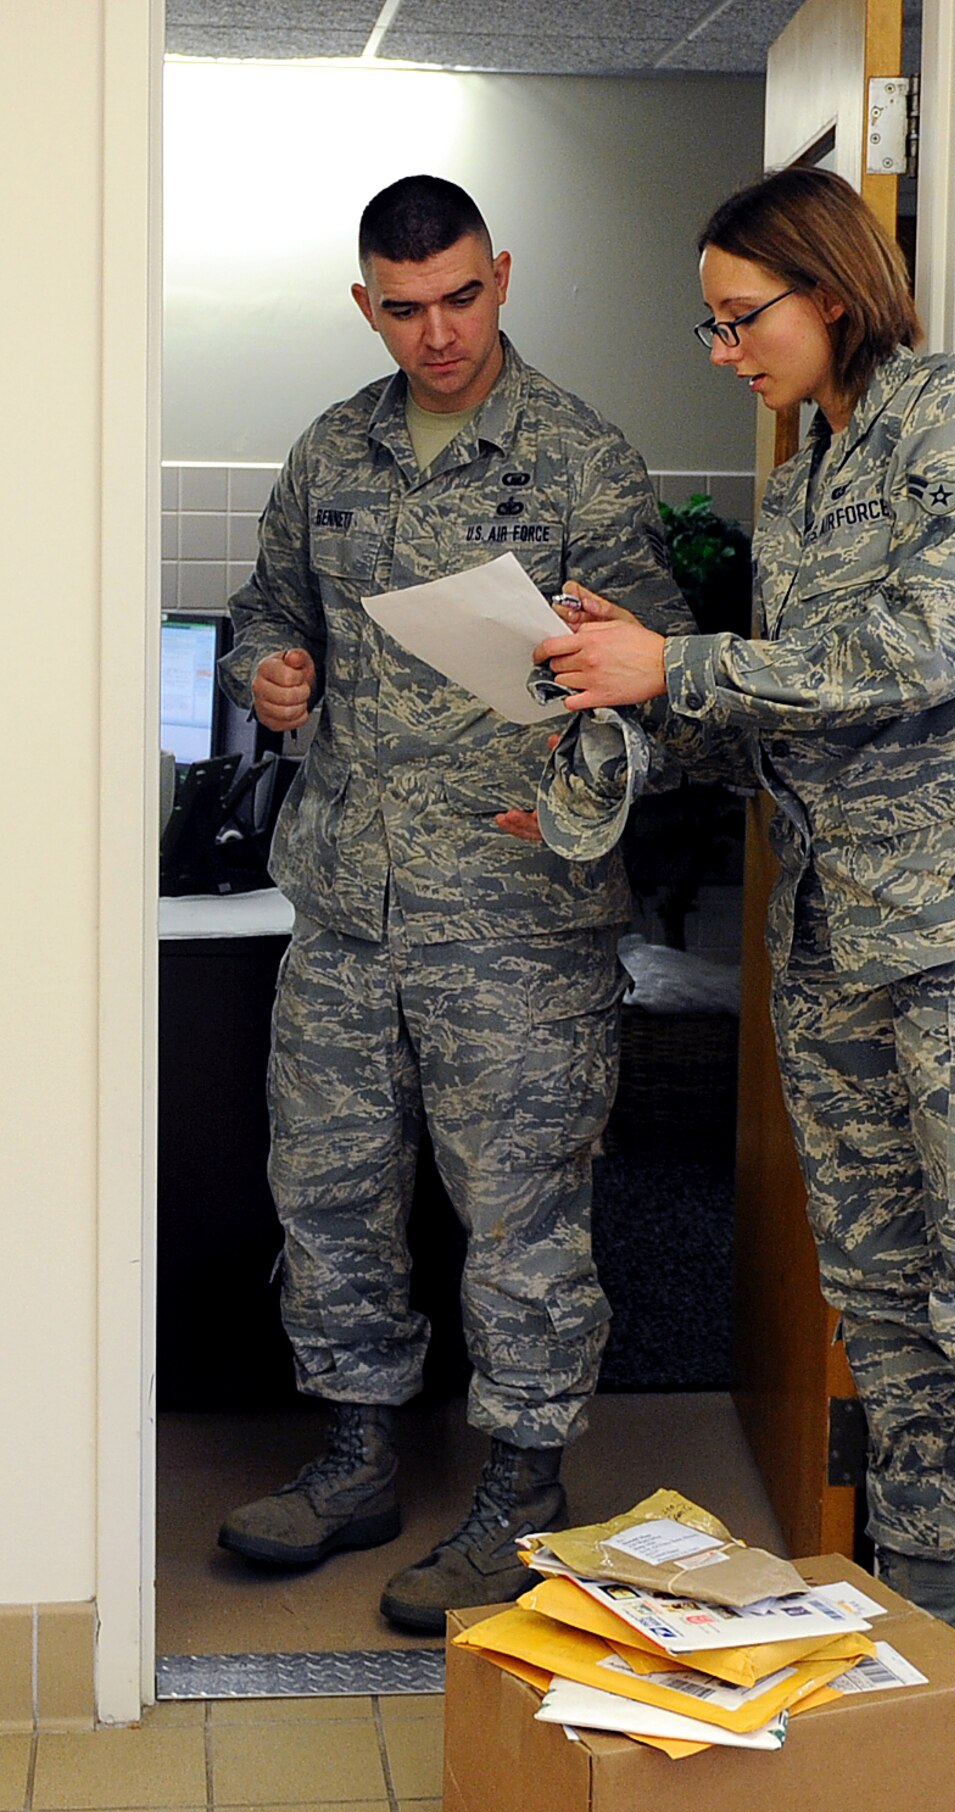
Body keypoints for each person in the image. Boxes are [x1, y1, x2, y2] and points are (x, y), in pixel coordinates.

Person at [530, 165, 955, 1812]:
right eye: (711, 324)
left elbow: (930, 648)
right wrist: (627, 696)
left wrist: (685, 667)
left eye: (742, 316)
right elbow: (793, 722)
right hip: (838, 949)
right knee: (884, 1319)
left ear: (832, 286)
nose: (725, 349)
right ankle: (919, 1646)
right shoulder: (802, 482)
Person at [215, 174, 691, 1634]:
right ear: (367, 304)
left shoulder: (578, 458)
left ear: (504, 278)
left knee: (521, 1214)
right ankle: (357, 1458)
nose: (438, 334)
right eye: (406, 308)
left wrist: (598, 685)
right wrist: (268, 667)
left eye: (463, 298)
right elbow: (265, 605)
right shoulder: (331, 449)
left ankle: (522, 1486)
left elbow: (663, 673)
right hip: (349, 906)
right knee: (330, 1190)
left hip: (518, 911)